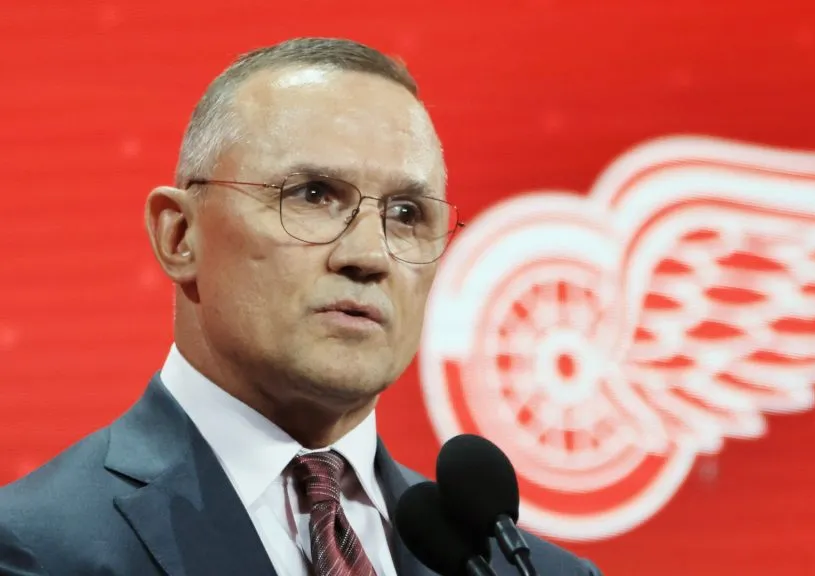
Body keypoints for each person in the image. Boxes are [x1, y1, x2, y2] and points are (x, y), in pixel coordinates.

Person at [0, 37, 601, 576]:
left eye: (407, 214)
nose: (370, 255)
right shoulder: (37, 549)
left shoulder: (534, 571)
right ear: (180, 236)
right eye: (313, 195)